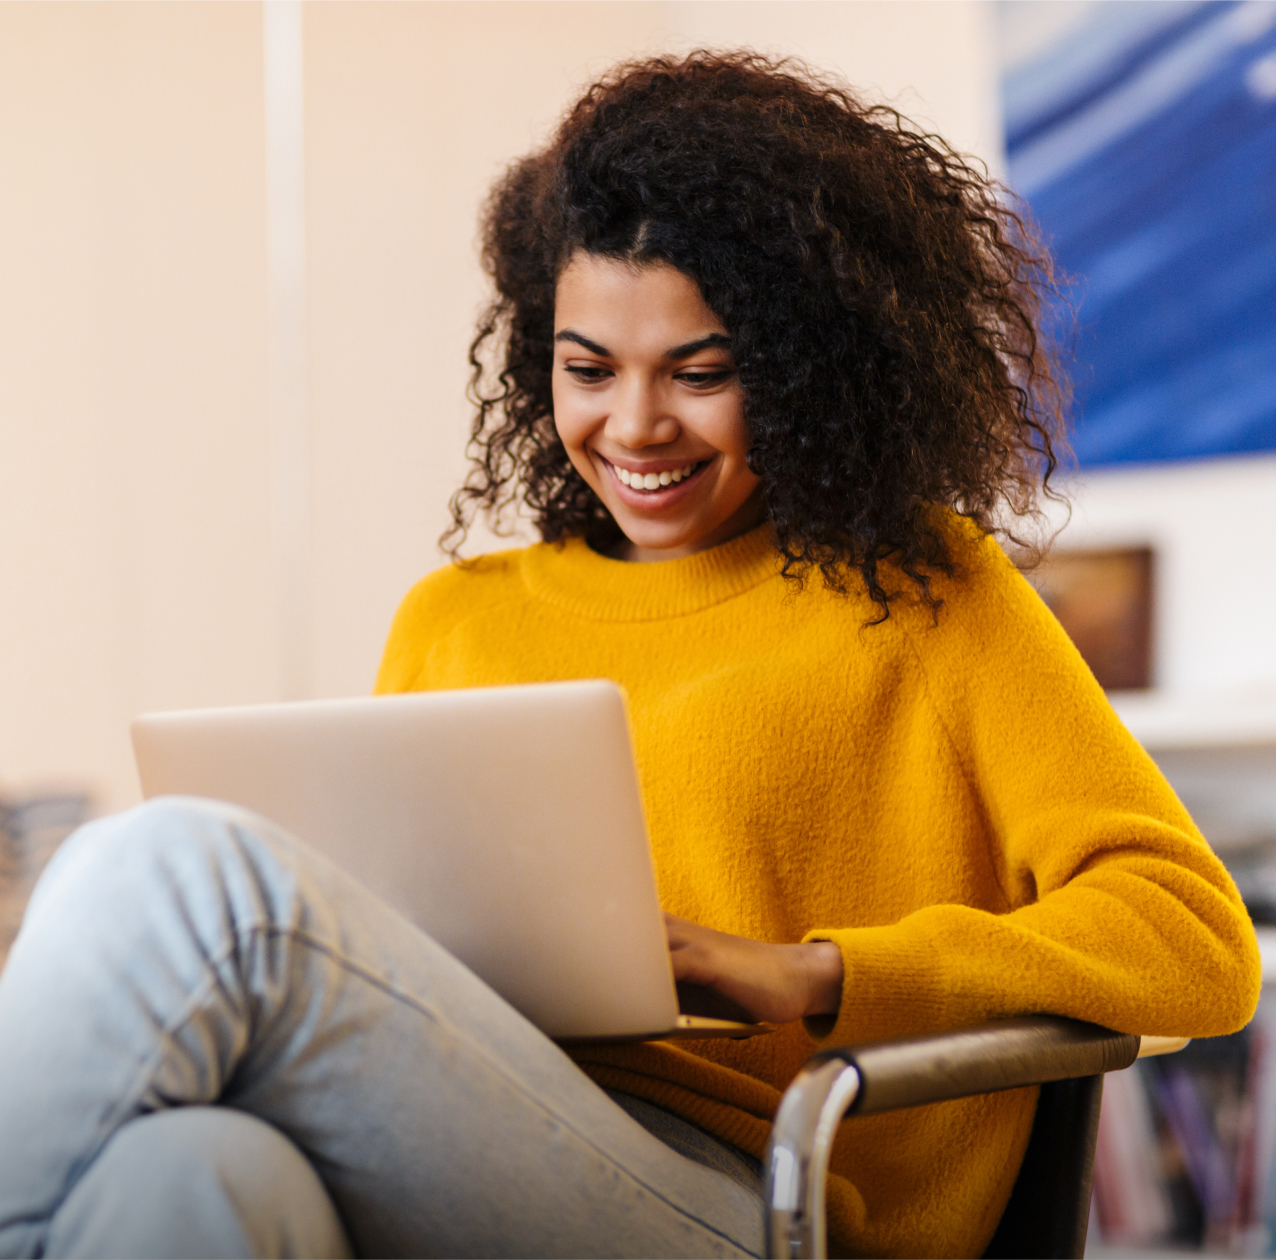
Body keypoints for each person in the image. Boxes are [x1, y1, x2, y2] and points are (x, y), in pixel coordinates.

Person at [0, 52, 1261, 1260]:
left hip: (753, 1194)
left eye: (700, 373)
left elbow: (1194, 944)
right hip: (483, 1127)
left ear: (808, 370)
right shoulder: (454, 617)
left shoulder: (921, 594)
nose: (635, 425)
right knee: (190, 1175)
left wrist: (815, 974)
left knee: (177, 867)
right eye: (587, 369)